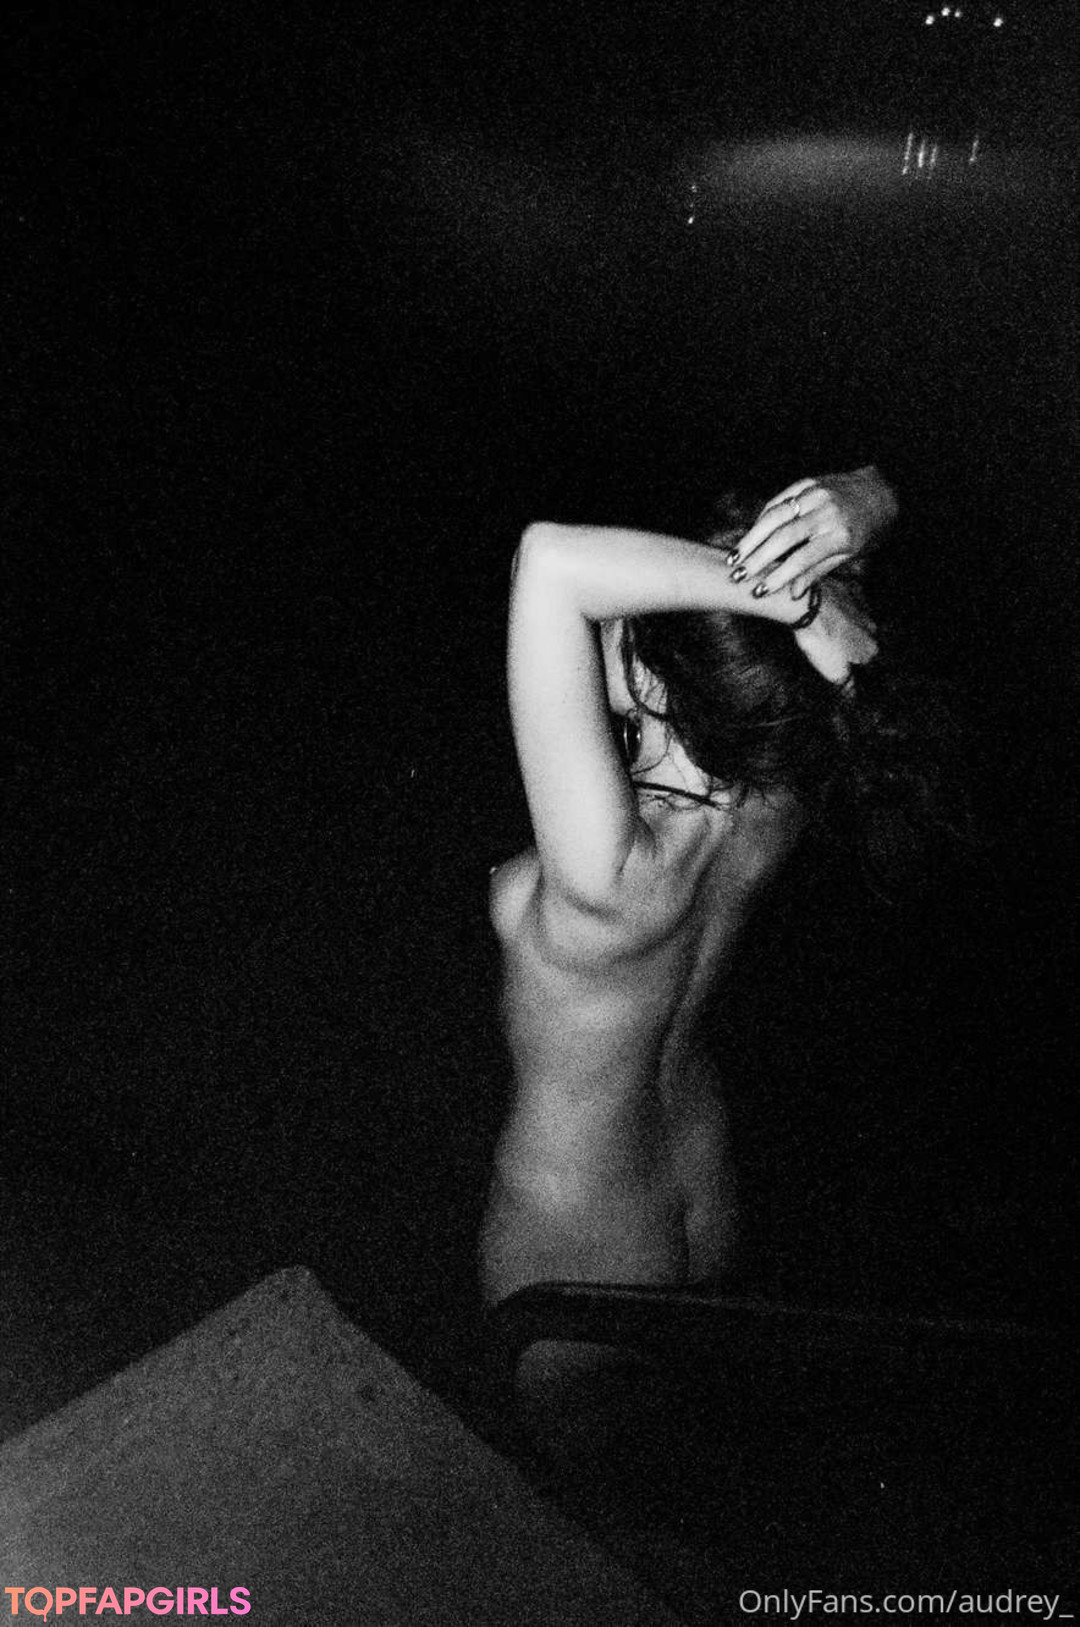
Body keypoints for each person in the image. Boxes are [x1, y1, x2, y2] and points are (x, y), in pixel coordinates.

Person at [479, 468, 902, 1343]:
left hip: (580, 1231)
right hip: (705, 1181)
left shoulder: (609, 868)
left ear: (658, 674)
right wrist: (872, 497)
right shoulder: (777, 800)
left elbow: (548, 561)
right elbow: (859, 677)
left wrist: (790, 601)